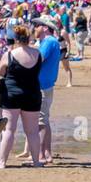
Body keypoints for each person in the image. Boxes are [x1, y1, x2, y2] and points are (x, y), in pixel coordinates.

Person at [0, 25, 43, 169]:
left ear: (15, 39)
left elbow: (2, 72)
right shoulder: (37, 54)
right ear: (29, 38)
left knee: (8, 129)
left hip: (12, 94)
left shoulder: (10, 54)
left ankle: (2, 162)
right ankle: (36, 162)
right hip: (32, 93)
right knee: (32, 131)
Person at [33, 21, 61, 162]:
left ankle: (41, 155)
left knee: (41, 121)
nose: (34, 28)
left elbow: (37, 59)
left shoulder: (49, 41)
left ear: (45, 27)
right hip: (45, 84)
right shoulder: (49, 41)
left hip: (42, 86)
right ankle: (46, 153)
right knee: (44, 119)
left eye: (37, 26)